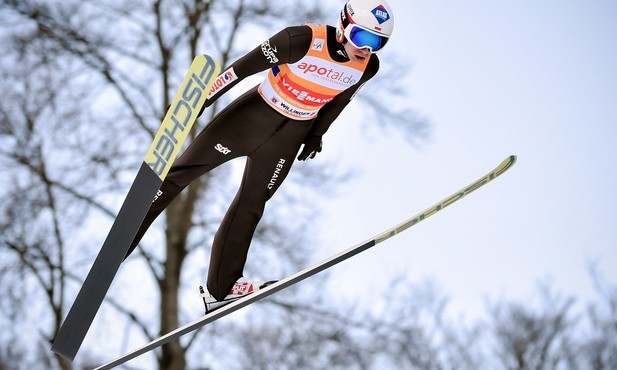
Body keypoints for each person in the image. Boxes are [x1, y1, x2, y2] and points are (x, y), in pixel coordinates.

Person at [125, 0, 395, 312]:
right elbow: (238, 70)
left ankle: (221, 288)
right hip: (249, 119)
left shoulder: (367, 67)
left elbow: (340, 101)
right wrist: (198, 101)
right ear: (345, 25)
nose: (367, 49)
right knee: (182, 173)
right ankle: (126, 236)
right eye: (363, 37)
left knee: (252, 204)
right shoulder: (300, 40)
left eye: (378, 43)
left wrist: (317, 134)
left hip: (287, 139)